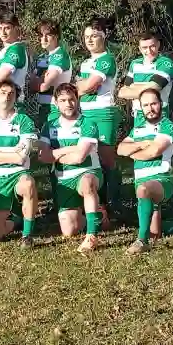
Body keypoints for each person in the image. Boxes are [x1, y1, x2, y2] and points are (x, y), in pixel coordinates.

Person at [38, 83, 106, 253]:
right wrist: (70, 148)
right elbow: (42, 156)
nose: (68, 104)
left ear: (77, 100)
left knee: (87, 184)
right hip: (64, 179)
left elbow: (79, 158)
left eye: (71, 99)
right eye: (63, 100)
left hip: (88, 171)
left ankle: (91, 236)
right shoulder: (49, 126)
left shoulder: (88, 123)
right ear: (56, 103)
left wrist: (55, 154)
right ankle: (97, 215)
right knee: (69, 230)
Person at [0, 80, 40, 246]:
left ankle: (27, 235)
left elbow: (21, 158)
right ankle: (17, 218)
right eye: (3, 92)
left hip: (19, 174)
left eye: (12, 94)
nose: (7, 97)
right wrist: (12, 155)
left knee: (28, 184)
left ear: (16, 98)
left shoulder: (24, 121)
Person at [116, 89, 173, 254]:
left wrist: (133, 153)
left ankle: (141, 241)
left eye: (153, 103)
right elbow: (120, 149)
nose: (150, 108)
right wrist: (141, 144)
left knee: (144, 189)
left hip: (161, 179)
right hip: (141, 180)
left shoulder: (168, 126)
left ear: (161, 104)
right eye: (145, 105)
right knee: (155, 233)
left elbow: (153, 152)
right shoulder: (137, 129)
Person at [75, 18, 121, 214]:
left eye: (94, 36)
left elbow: (87, 86)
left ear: (104, 36)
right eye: (87, 36)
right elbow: (81, 88)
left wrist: (83, 86)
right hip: (85, 113)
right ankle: (98, 202)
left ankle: (115, 203)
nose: (89, 40)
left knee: (106, 159)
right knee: (90, 156)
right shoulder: (86, 63)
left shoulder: (106, 59)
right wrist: (83, 87)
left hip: (103, 113)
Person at [118, 30, 173, 124]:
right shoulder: (134, 63)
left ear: (158, 45)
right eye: (144, 48)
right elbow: (122, 92)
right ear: (139, 48)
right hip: (138, 115)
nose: (149, 51)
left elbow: (153, 90)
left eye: (152, 46)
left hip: (158, 114)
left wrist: (133, 87)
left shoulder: (165, 63)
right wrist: (146, 87)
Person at [30, 19, 73, 125]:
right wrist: (41, 78)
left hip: (56, 108)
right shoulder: (41, 57)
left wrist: (39, 80)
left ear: (56, 36)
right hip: (41, 107)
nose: (43, 39)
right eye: (41, 35)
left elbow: (44, 86)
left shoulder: (60, 54)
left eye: (48, 35)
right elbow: (32, 86)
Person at [0, 14, 30, 94]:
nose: (3, 32)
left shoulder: (16, 49)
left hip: (12, 100)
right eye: (0, 28)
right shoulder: (2, 52)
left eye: (7, 28)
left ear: (16, 28)